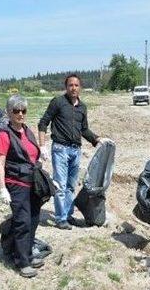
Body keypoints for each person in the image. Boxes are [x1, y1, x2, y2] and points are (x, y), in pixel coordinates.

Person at [37, 74, 112, 230]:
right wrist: (42, 145)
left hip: (75, 150)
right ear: (66, 87)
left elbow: (84, 129)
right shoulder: (58, 102)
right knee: (60, 184)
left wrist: (97, 139)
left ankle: (68, 215)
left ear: (80, 88)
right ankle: (60, 218)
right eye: (70, 85)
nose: (73, 88)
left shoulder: (82, 107)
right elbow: (43, 122)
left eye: (76, 85)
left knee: (71, 185)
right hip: (60, 149)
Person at [0, 94, 45, 278]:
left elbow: (32, 155)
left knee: (33, 219)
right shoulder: (4, 134)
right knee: (22, 221)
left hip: (32, 182)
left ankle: (27, 253)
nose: (21, 114)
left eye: (23, 110)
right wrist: (2, 188)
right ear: (9, 112)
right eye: (16, 111)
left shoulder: (27, 130)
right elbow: (0, 164)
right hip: (16, 183)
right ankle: (22, 261)